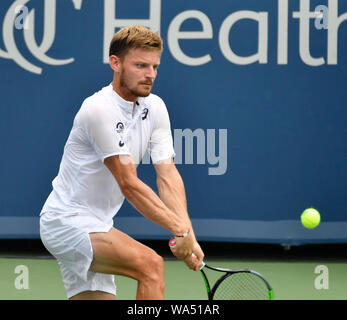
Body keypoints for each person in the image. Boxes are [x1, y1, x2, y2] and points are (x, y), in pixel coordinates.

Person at [39, 25, 204, 300]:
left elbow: (167, 175)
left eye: (154, 66)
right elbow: (129, 185)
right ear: (115, 63)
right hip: (67, 222)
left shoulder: (156, 107)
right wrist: (179, 230)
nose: (150, 74)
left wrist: (190, 235)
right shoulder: (98, 109)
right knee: (151, 266)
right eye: (140, 65)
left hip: (97, 224)